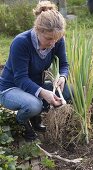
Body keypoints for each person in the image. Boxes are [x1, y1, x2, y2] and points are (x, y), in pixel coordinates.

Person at [0, 1, 71, 141]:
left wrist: (62, 76)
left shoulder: (57, 39)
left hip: (34, 86)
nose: (52, 43)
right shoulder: (21, 42)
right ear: (38, 30)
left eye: (56, 39)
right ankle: (22, 122)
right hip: (11, 88)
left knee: (69, 92)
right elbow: (20, 79)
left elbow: (64, 64)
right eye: (49, 38)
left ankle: (35, 117)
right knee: (34, 105)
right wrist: (44, 93)